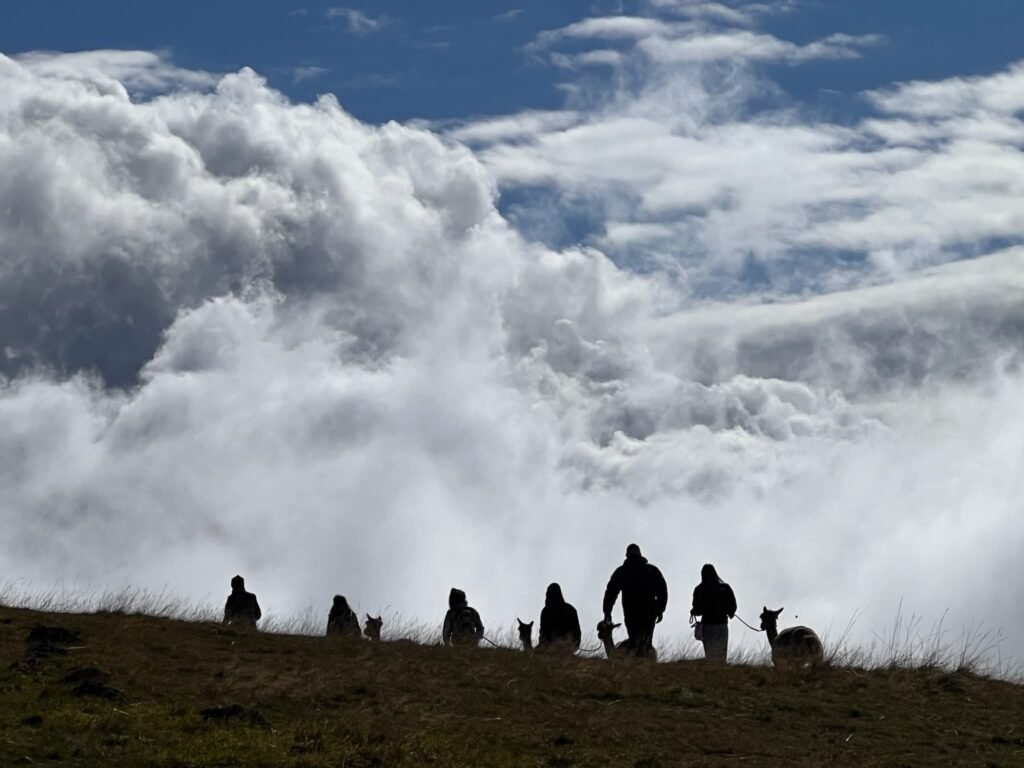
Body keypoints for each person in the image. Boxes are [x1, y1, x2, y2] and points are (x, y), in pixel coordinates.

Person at [602, 544, 668, 656]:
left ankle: (638, 664)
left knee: (635, 641)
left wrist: (607, 612)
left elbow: (610, 593)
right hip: (649, 613)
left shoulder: (622, 571)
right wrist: (660, 609)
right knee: (646, 641)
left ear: (627, 555)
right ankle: (645, 664)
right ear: (640, 554)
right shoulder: (651, 570)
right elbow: (662, 591)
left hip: (631, 613)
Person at [690, 563, 737, 662]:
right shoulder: (725, 588)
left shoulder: (699, 589)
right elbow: (733, 605)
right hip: (722, 625)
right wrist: (731, 612)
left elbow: (697, 609)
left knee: (710, 655)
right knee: (722, 654)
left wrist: (694, 611)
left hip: (708, 626)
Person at [538, 583, 582, 653]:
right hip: (558, 646)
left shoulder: (546, 611)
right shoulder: (570, 609)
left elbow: (576, 632)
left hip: (565, 646)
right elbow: (543, 632)